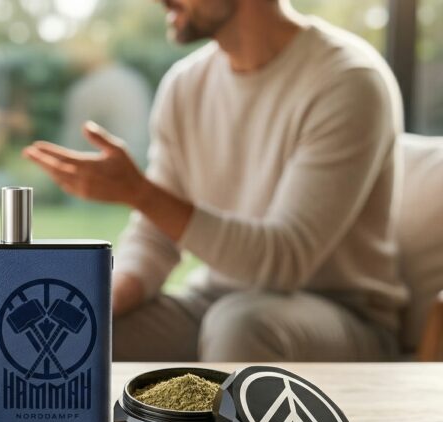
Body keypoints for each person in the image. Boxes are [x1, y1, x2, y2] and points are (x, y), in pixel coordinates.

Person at [24, 0, 407, 362]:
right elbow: (156, 238)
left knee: (240, 324)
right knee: (86, 335)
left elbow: (284, 260)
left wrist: (140, 193)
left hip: (342, 314)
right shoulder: (185, 83)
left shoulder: (348, 80)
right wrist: (101, 303)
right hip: (217, 303)